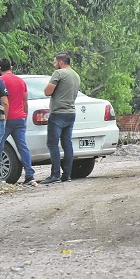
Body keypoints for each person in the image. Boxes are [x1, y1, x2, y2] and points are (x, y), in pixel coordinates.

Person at [40, 52, 81, 184]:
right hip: (71, 113)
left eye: (55, 62)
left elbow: (47, 91)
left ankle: (55, 174)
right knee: (67, 144)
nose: (54, 64)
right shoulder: (76, 75)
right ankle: (67, 174)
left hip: (58, 114)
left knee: (52, 144)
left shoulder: (59, 74)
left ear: (61, 62)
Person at [0, 59, 36, 185]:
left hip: (6, 118)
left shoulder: (1, 81)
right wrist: (24, 118)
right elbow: (25, 102)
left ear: (0, 69)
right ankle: (30, 175)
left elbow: (2, 101)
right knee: (22, 147)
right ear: (11, 67)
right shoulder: (21, 81)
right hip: (20, 117)